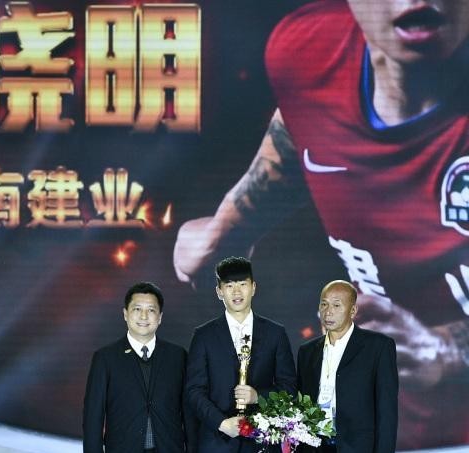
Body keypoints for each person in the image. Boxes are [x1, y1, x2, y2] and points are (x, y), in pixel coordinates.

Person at [174, 0, 469, 447]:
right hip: (386, 426)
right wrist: (226, 229)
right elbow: (303, 122)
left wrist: (444, 353)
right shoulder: (308, 50)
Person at [186, 256, 296, 452]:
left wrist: (257, 396)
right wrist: (222, 423)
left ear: (253, 287)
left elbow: (289, 388)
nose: (236, 292)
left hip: (262, 442)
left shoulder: (275, 333)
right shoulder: (203, 335)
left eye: (243, 284)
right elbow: (194, 391)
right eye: (229, 286)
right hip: (217, 442)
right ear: (219, 291)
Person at [82, 282, 196, 453]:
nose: (144, 316)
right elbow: (93, 417)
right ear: (125, 314)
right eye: (137, 309)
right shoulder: (105, 358)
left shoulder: (178, 356)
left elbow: (189, 414)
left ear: (160, 317)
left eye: (151, 310)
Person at [297, 280, 398, 453]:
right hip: (315, 447)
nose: (328, 312)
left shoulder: (378, 347)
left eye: (336, 305)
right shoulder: (307, 351)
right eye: (324, 304)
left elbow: (387, 412)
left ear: (353, 310)